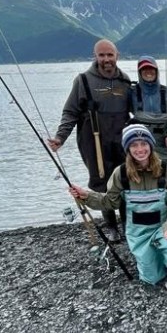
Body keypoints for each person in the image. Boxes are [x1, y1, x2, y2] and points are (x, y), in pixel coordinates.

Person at [68, 124, 167, 289]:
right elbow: (110, 202)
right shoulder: (120, 173)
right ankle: (154, 259)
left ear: (151, 145)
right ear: (128, 149)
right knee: (151, 278)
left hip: (162, 226)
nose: (140, 149)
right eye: (134, 145)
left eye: (144, 144)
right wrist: (86, 196)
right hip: (138, 232)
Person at [48, 39, 132, 241]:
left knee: (125, 182)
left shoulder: (125, 81)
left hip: (120, 142)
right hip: (94, 143)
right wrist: (60, 137)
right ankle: (112, 227)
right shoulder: (83, 81)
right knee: (102, 185)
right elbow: (70, 113)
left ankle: (128, 225)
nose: (106, 59)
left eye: (110, 55)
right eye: (101, 55)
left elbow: (138, 110)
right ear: (95, 56)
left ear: (117, 56)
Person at [130, 55, 167, 166]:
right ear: (139, 72)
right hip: (141, 142)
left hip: (164, 142)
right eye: (144, 69)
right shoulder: (132, 92)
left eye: (151, 68)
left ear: (156, 71)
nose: (148, 72)